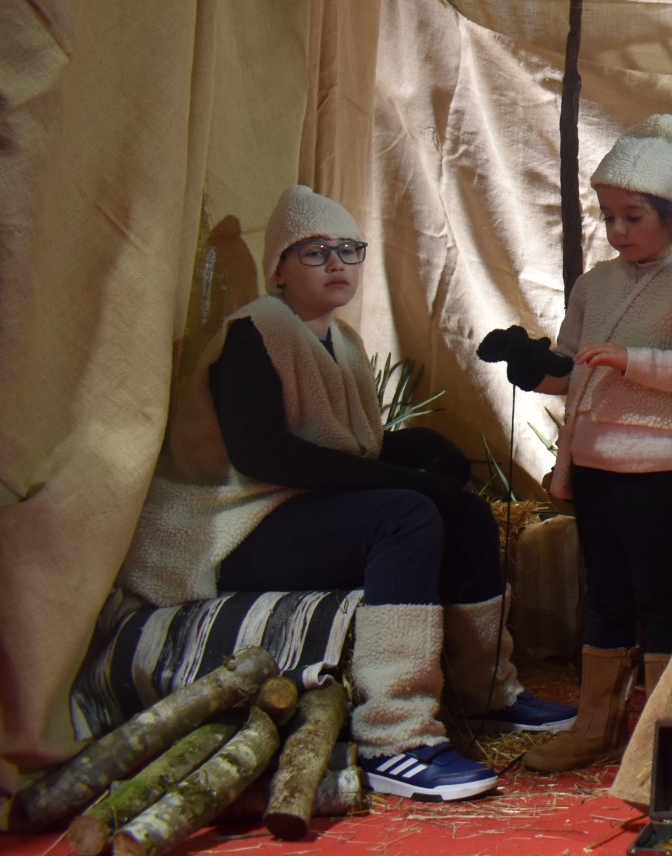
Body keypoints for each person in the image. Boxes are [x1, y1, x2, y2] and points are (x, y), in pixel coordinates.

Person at [120, 185, 574, 803]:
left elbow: (349, 446)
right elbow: (264, 457)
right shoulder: (255, 331)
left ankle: (486, 691)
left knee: (466, 512)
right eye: (313, 252)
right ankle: (395, 736)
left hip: (290, 507)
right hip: (233, 525)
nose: (336, 263)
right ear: (279, 269)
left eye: (347, 250)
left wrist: (414, 453)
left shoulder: (344, 342)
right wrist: (405, 479)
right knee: (405, 515)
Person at [480, 114, 672, 773]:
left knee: (660, 592)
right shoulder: (595, 284)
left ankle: (665, 730)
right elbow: (576, 368)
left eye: (633, 216)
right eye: (609, 217)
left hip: (660, 467)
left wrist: (633, 360)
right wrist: (533, 365)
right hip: (596, 462)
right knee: (604, 591)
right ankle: (597, 721)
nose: (619, 230)